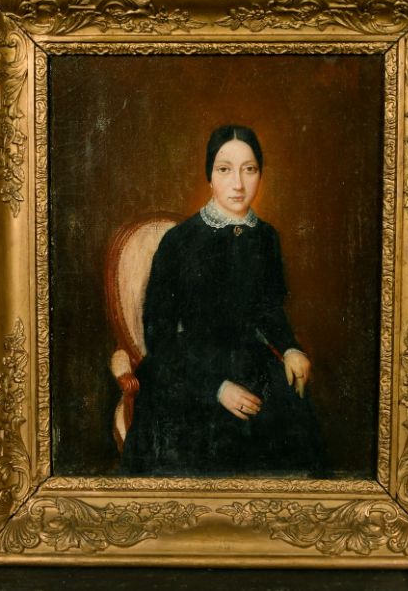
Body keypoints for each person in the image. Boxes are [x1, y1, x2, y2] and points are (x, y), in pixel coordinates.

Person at [121, 125, 324, 477]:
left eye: (249, 169)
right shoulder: (179, 241)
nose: (238, 184)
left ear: (260, 175)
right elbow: (159, 336)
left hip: (250, 361)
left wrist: (290, 347)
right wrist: (215, 388)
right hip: (187, 369)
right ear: (210, 177)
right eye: (225, 169)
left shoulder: (266, 237)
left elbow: (269, 310)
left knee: (294, 441)